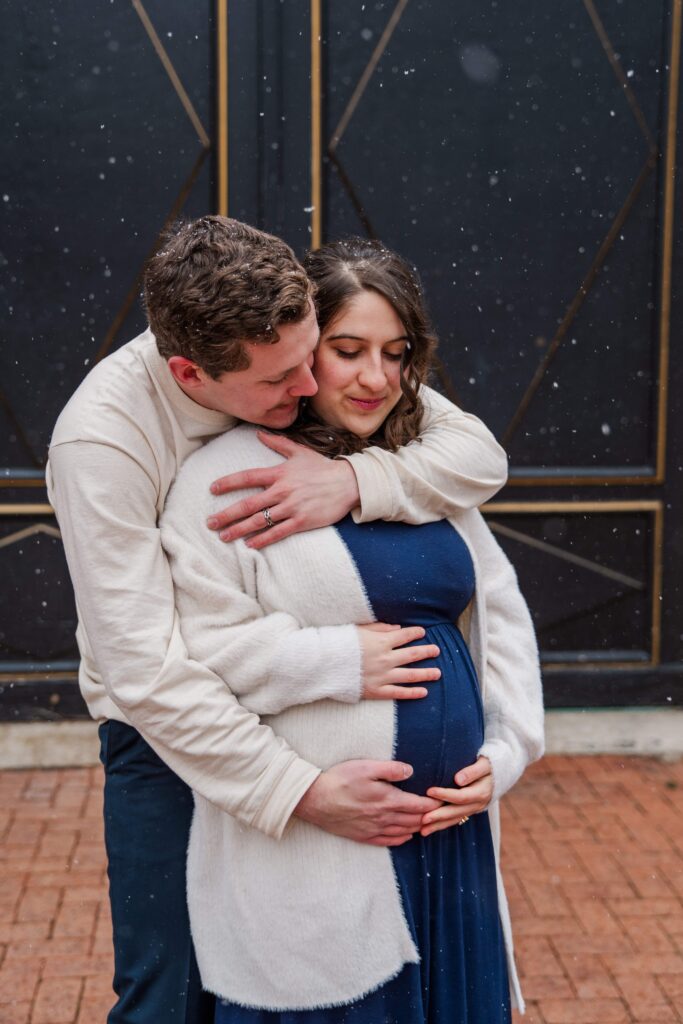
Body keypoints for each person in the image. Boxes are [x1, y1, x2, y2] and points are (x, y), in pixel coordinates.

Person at [46, 217, 510, 1024]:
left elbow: (475, 453)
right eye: (280, 381)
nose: (309, 388)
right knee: (168, 990)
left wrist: (357, 481)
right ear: (189, 374)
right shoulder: (103, 443)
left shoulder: (286, 346)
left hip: (301, 721)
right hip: (165, 731)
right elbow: (144, 670)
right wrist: (295, 791)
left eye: (313, 356)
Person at [160, 237, 544, 1024]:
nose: (376, 378)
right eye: (347, 350)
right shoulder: (225, 479)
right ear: (302, 347)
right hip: (324, 841)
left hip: (448, 838)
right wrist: (335, 660)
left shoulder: (420, 469)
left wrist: (506, 752)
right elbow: (206, 653)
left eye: (395, 353)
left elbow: (500, 620)